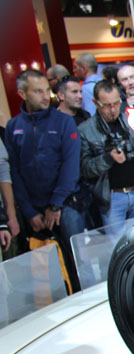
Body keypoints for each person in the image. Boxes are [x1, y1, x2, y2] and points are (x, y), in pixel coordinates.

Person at [4, 70, 92, 286]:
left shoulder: (64, 122)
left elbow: (70, 167)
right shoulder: (13, 127)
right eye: (38, 91)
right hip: (34, 211)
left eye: (46, 90)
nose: (46, 96)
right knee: (44, 270)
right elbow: (14, 172)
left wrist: (55, 205)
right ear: (22, 94)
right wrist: (28, 211)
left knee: (78, 263)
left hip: (66, 205)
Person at [79, 79, 134, 232]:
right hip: (111, 199)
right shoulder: (85, 130)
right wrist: (108, 158)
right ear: (95, 103)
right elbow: (85, 168)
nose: (113, 109)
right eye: (107, 105)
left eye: (116, 103)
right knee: (117, 243)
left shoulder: (132, 122)